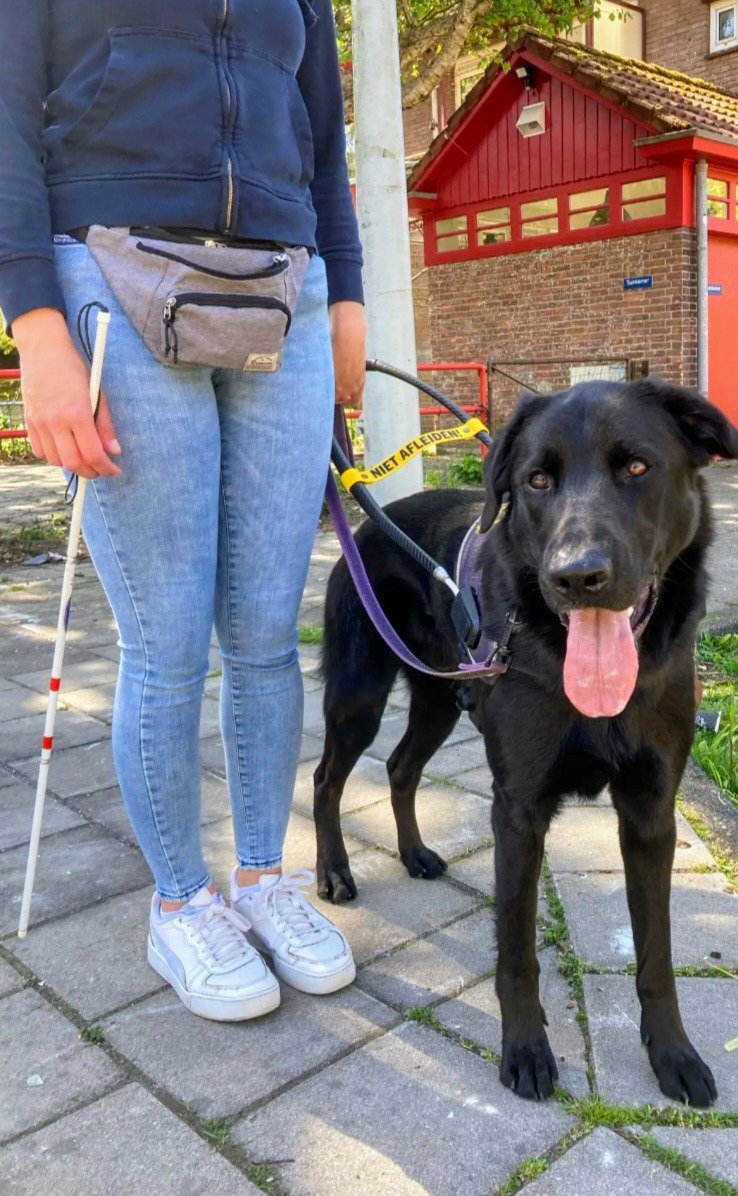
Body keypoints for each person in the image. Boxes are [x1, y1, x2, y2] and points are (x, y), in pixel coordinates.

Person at [0, 1, 366, 1021]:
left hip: (286, 287)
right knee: (166, 642)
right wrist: (34, 324)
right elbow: (6, 122)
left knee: (262, 636)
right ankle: (179, 903)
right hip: (114, 267)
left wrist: (350, 297)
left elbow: (322, 145)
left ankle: (259, 879)